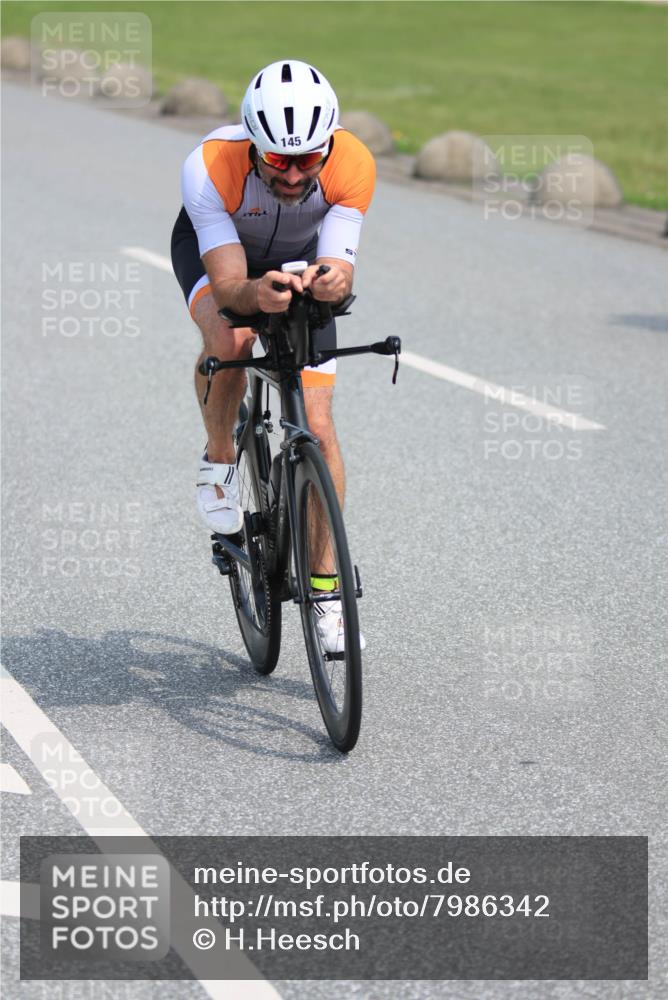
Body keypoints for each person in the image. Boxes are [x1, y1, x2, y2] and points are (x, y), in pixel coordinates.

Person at [171, 59, 376, 652]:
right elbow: (233, 284)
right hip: (223, 253)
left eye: (307, 159)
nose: (292, 174)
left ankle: (328, 591)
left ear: (328, 147)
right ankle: (218, 462)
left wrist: (332, 282)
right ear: (253, 144)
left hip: (299, 256)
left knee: (317, 422)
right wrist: (252, 296)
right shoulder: (211, 166)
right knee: (232, 338)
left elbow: (339, 261)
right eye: (278, 160)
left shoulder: (355, 164)